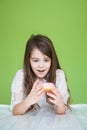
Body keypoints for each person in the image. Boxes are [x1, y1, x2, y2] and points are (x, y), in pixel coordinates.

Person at [10, 34, 70, 116]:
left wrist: (60, 103)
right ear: (28, 60)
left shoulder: (59, 75)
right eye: (35, 60)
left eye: (46, 60)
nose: (41, 66)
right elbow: (15, 111)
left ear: (52, 60)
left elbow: (61, 112)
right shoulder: (21, 76)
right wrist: (28, 101)